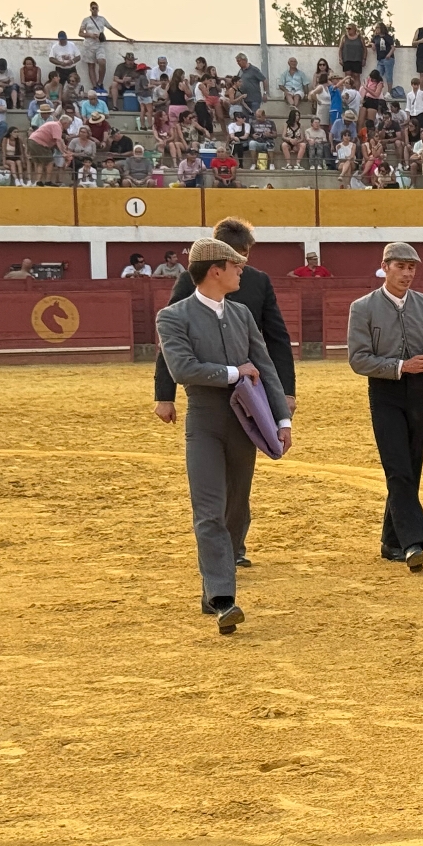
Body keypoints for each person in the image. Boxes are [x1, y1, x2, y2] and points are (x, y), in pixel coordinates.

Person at [154, 237, 291, 635]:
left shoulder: (243, 314)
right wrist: (234, 372)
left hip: (245, 423)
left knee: (236, 509)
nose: (241, 270)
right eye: (235, 266)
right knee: (209, 510)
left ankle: (213, 587)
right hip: (206, 422)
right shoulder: (173, 317)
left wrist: (282, 420)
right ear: (215, 270)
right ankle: (224, 599)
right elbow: (182, 369)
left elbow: (265, 367)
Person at [154, 218, 298, 459]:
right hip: (205, 388)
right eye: (238, 255)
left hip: (249, 384)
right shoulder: (193, 281)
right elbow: (171, 343)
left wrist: (286, 391)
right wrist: (164, 395)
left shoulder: (258, 281)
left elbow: (276, 340)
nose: (241, 264)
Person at [347, 242, 423, 572]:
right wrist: (402, 366)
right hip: (385, 389)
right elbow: (358, 359)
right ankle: (412, 542)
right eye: (401, 267)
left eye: (412, 268)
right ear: (385, 267)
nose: (407, 274)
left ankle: (391, 540)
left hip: (419, 390)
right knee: (398, 467)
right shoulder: (362, 307)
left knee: (412, 466)